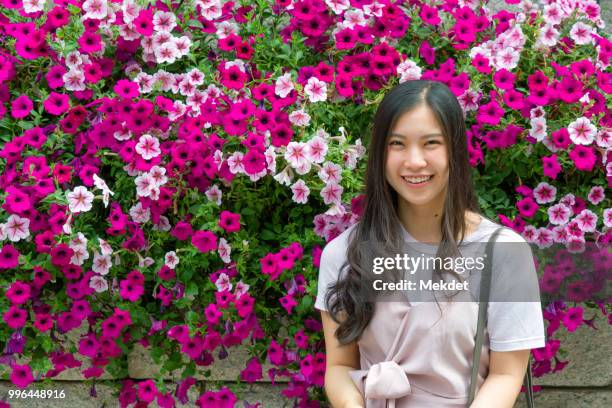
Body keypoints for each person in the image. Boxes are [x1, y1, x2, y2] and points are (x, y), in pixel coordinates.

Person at [315, 80, 545, 408]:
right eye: (397, 144)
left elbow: (506, 375)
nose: (415, 161)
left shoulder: (503, 252)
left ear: (454, 149)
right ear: (381, 153)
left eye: (431, 143)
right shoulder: (344, 253)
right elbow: (339, 367)